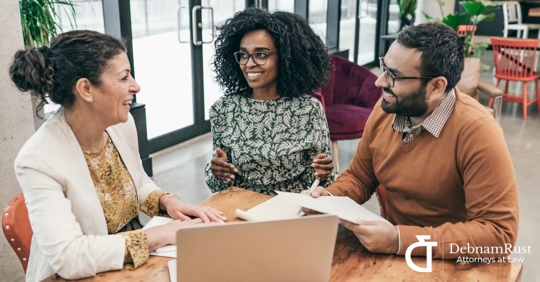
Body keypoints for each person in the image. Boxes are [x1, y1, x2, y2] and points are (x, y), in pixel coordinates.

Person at [10, 30, 226, 281]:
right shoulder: (38, 159)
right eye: (124, 77)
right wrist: (161, 235)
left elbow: (138, 181)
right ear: (86, 89)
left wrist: (168, 202)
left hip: (134, 260)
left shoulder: (121, 123)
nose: (136, 85)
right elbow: (69, 257)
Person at [306, 22, 518, 259]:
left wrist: (399, 240)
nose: (380, 82)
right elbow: (359, 176)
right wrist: (330, 197)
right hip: (395, 254)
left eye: (394, 75)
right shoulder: (386, 109)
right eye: (384, 67)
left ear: (436, 86)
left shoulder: (478, 132)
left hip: (454, 262)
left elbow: (499, 235)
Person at [204, 8, 334, 195]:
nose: (249, 63)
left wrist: (323, 173)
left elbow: (321, 182)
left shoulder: (308, 109)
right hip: (241, 209)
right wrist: (216, 171)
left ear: (285, 57)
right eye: (243, 54)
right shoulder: (224, 109)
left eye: (261, 54)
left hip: (293, 209)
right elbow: (218, 185)